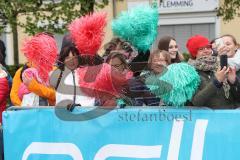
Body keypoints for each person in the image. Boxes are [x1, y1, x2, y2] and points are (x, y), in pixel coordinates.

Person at [187, 35, 240, 109]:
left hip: (232, 115)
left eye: (208, 47)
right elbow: (196, 102)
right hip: (212, 118)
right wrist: (217, 82)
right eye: (201, 49)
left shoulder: (220, 65)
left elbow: (237, 98)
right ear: (194, 53)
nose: (206, 51)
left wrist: (234, 82)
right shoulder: (190, 72)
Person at [10, 33, 57, 106]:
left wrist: (33, 86)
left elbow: (56, 95)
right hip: (27, 114)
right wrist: (25, 108)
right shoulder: (21, 72)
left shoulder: (54, 70)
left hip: (48, 113)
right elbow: (14, 96)